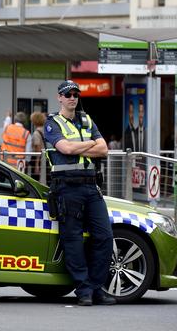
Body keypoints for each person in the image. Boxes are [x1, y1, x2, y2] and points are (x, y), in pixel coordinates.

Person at [43, 80, 114, 306]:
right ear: (60, 98)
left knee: (104, 236)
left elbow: (104, 149)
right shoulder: (52, 122)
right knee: (72, 239)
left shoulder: (86, 119)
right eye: (68, 94)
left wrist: (82, 146)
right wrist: (90, 143)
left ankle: (96, 287)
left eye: (75, 94)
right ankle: (83, 290)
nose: (72, 97)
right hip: (66, 187)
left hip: (90, 187)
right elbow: (66, 148)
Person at [30, 111, 46, 177]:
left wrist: (36, 164)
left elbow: (38, 148)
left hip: (37, 158)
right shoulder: (45, 130)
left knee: (34, 178)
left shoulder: (36, 133)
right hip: (44, 156)